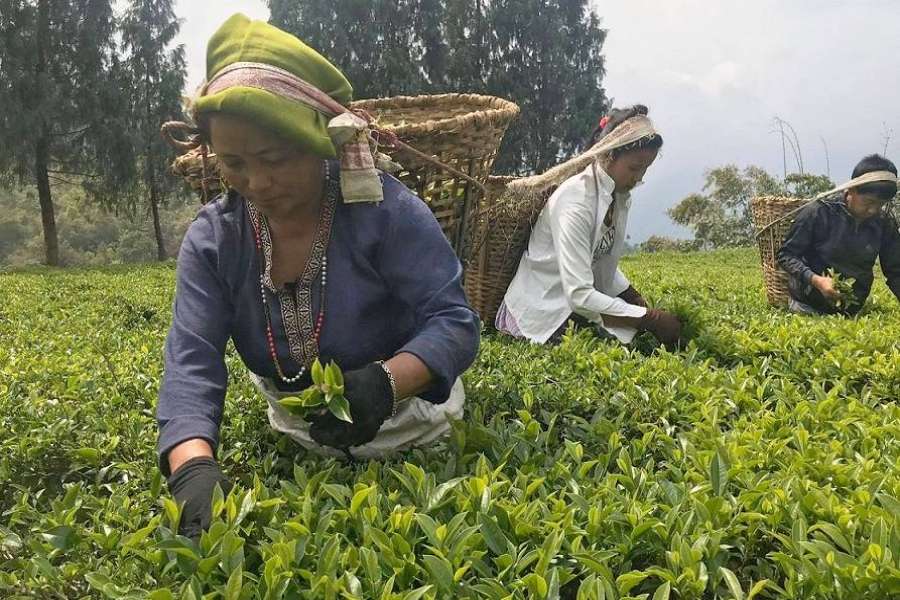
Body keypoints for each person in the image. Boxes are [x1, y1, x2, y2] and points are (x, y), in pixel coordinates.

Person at [157, 14, 480, 538]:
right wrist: (192, 468)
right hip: (296, 431)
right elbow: (192, 362)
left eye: (274, 158)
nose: (256, 182)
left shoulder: (386, 212)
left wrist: (385, 383)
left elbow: (454, 322)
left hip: (410, 424)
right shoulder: (216, 240)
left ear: (317, 140)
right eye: (233, 162)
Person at [496, 105, 682, 347]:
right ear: (609, 155)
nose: (638, 178)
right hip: (542, 310)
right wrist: (651, 319)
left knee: (628, 338)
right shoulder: (576, 202)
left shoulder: (617, 194)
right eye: (634, 168)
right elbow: (579, 295)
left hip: (570, 304)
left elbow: (596, 255)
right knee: (613, 348)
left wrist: (629, 294)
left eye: (645, 169)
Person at [777, 154, 900, 315]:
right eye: (869, 202)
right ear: (851, 191)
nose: (873, 210)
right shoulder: (818, 212)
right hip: (808, 305)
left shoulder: (884, 222)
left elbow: (895, 270)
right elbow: (786, 255)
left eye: (881, 204)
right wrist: (816, 280)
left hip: (852, 309)